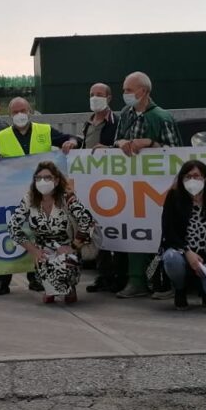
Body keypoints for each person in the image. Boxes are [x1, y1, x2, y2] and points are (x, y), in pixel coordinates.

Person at [0, 98, 77, 297]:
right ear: (9, 115)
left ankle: (35, 277)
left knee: (37, 235)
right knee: (10, 235)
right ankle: (3, 279)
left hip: (40, 196)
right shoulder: (1, 136)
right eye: (15, 111)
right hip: (11, 194)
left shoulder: (45, 130)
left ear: (30, 110)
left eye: (23, 110)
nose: (20, 114)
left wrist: (72, 142)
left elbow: (68, 139)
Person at [112, 72, 182, 299]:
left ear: (144, 91)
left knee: (164, 234)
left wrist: (151, 143)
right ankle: (136, 281)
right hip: (133, 186)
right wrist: (121, 142)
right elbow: (118, 139)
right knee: (136, 232)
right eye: (124, 90)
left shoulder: (162, 117)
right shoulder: (126, 114)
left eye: (129, 90)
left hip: (159, 186)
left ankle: (166, 283)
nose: (125, 94)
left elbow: (176, 152)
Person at [7, 161, 96, 305]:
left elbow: (87, 221)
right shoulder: (29, 199)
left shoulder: (67, 198)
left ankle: (69, 287)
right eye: (38, 178)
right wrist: (34, 250)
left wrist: (73, 246)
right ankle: (49, 289)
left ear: (56, 180)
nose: (42, 181)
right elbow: (12, 226)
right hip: (43, 249)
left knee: (65, 261)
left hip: (67, 247)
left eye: (47, 177)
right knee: (44, 260)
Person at [159, 161, 206, 310]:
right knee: (171, 259)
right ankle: (180, 288)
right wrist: (187, 252)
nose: (192, 180)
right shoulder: (173, 198)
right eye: (188, 176)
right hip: (181, 251)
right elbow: (168, 231)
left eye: (196, 176)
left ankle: (205, 290)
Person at [80, 83, 123, 294]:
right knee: (97, 231)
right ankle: (104, 275)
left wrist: (110, 150)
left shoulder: (118, 122)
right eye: (92, 95)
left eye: (99, 95)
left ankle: (119, 277)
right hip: (92, 185)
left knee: (115, 230)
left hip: (113, 184)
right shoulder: (88, 123)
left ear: (109, 97)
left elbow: (124, 146)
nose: (95, 98)